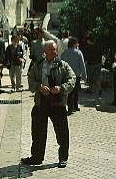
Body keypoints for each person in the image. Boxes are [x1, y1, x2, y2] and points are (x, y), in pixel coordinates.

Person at [21, 40, 75, 168]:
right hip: (42, 101)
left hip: (58, 102)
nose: (54, 52)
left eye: (55, 49)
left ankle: (63, 158)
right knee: (38, 131)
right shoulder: (38, 65)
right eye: (51, 49)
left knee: (62, 132)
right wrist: (39, 87)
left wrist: (61, 88)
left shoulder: (63, 65)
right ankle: (36, 157)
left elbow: (72, 79)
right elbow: (30, 78)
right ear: (45, 51)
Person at [61, 36, 87, 115]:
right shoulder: (78, 52)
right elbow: (82, 65)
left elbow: (61, 64)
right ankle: (73, 107)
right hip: (76, 75)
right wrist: (84, 75)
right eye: (77, 43)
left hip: (67, 75)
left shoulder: (64, 53)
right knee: (75, 91)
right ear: (74, 44)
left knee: (69, 91)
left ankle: (72, 106)